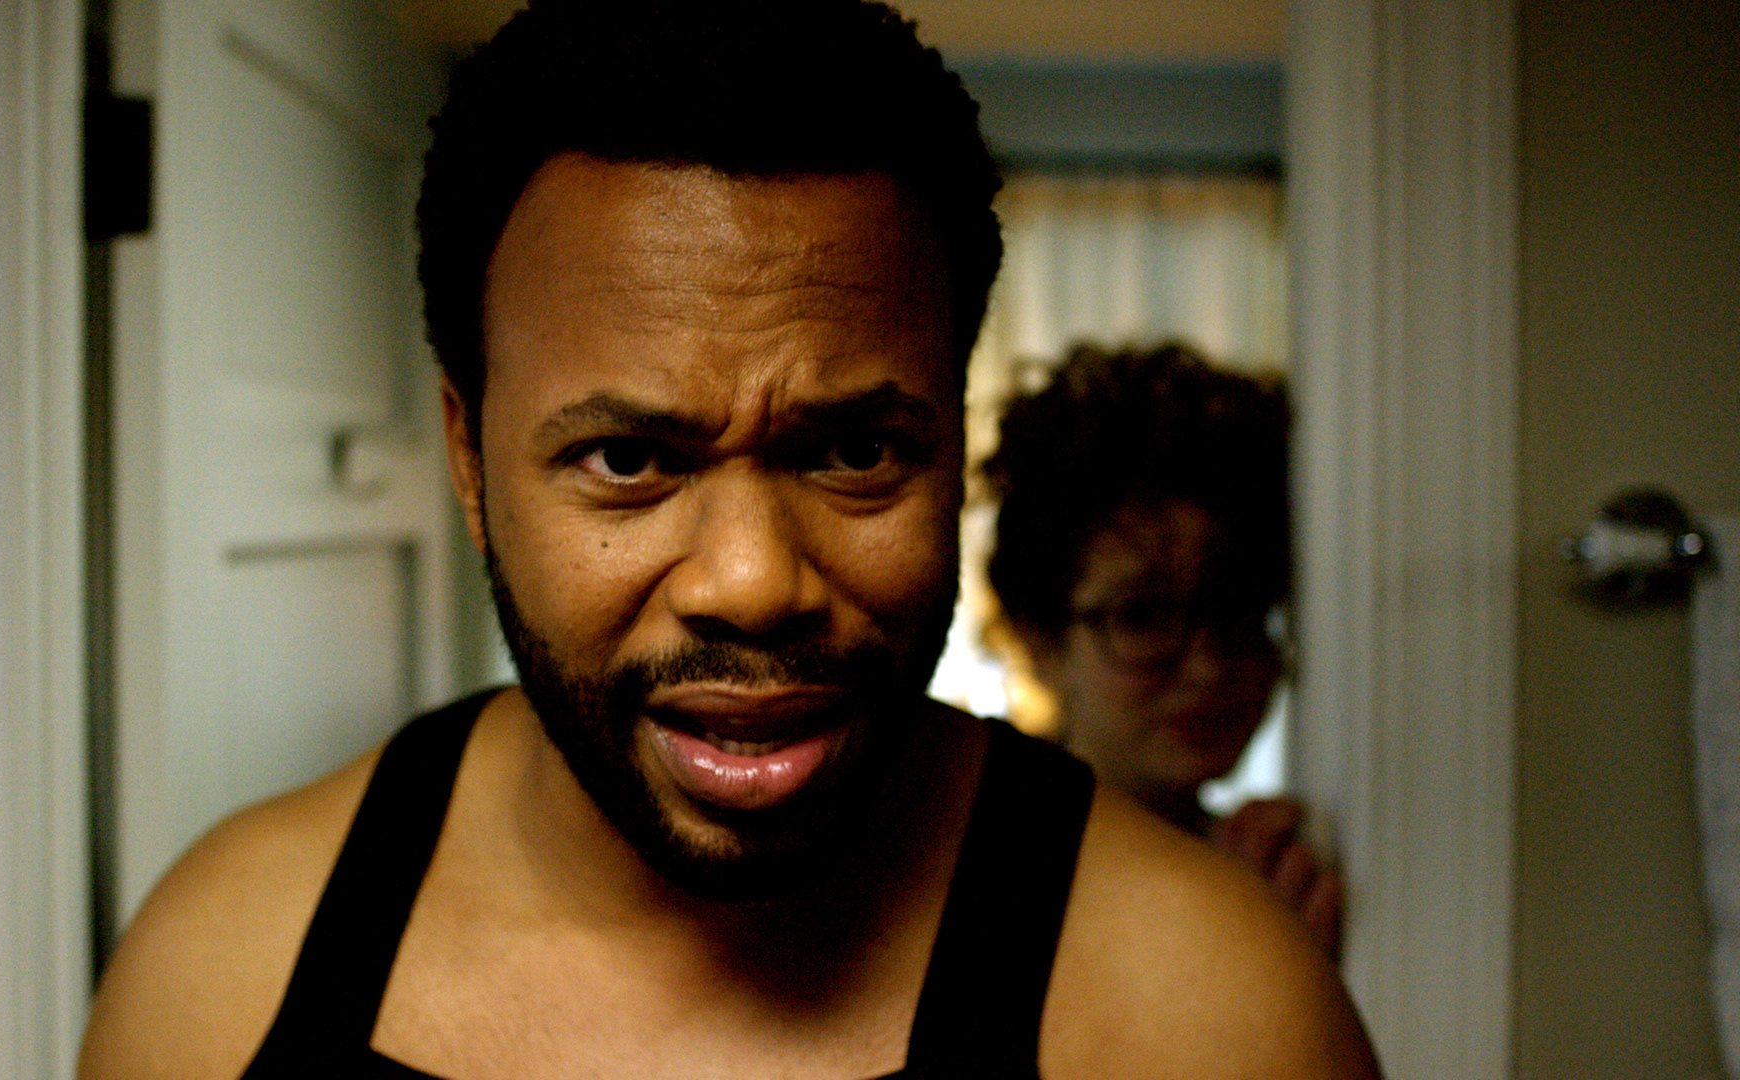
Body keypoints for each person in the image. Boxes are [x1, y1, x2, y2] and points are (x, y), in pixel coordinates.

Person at [78, 3, 1379, 1077]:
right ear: (469, 458)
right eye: (628, 461)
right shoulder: (227, 971)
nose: (753, 583)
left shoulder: (1213, 1014)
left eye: (855, 453)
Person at [984, 342, 1344, 957]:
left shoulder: (1272, 867)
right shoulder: (983, 867)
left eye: (1237, 609)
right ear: (1041, 641)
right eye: (1141, 616)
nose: (1208, 667)